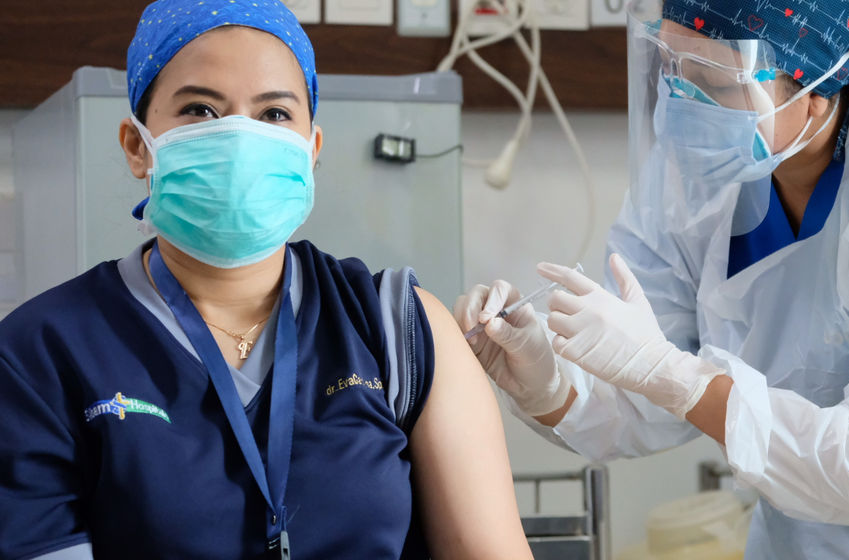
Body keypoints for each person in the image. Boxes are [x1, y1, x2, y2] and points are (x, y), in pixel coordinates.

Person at [454, 0, 849, 557]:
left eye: (715, 83)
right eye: (672, 70)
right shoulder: (698, 177)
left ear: (816, 90)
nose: (684, 104)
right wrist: (545, 375)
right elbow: (644, 375)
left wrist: (672, 375)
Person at [0, 1, 534, 559]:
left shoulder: (397, 330)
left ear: (312, 149)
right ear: (138, 147)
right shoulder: (42, 353)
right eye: (200, 110)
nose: (238, 138)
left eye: (275, 114)